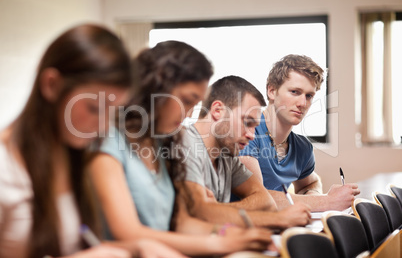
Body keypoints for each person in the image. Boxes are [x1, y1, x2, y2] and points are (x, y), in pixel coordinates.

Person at [0, 24, 184, 258]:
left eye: (113, 112)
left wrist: (138, 248)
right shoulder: (5, 166)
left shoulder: (70, 151)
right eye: (95, 108)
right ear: (51, 85)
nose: (104, 126)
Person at [88, 41, 273, 257]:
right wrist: (223, 244)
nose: (188, 114)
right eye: (186, 101)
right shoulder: (108, 138)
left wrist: (228, 233)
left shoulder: (166, 143)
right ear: (157, 88)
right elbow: (129, 233)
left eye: (195, 103)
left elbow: (183, 225)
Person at [180, 75, 311, 229]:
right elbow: (197, 214)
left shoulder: (226, 157)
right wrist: (278, 219)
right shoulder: (183, 146)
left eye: (254, 126)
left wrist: (216, 211)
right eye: (247, 122)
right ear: (217, 110)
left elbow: (266, 201)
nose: (252, 135)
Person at [239, 54, 360, 211]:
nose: (302, 103)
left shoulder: (302, 147)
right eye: (295, 92)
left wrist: (312, 195)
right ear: (271, 91)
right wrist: (327, 201)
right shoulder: (245, 133)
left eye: (309, 96)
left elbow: (311, 182)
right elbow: (256, 198)